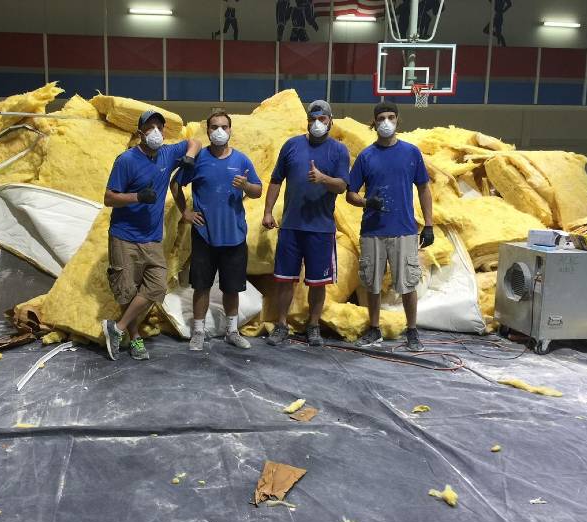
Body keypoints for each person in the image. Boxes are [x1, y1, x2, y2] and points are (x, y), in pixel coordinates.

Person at [102, 110, 201, 361]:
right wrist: (137, 197)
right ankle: (134, 339)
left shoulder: (168, 154)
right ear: (140, 132)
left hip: (152, 237)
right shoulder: (126, 160)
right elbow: (109, 197)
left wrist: (189, 158)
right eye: (149, 127)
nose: (155, 131)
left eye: (159, 126)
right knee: (127, 291)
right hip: (124, 237)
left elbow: (196, 142)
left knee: (156, 286)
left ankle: (118, 327)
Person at [346, 101, 434, 352]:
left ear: (398, 120)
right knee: (371, 283)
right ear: (373, 122)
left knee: (407, 283)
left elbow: (424, 188)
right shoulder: (366, 156)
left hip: (404, 229)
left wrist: (428, 224)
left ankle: (412, 330)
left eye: (391, 117)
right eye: (382, 117)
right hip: (373, 231)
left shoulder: (411, 153)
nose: (386, 122)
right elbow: (350, 194)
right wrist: (366, 201)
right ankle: (374, 329)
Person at [170, 111, 262, 351]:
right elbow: (175, 183)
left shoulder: (241, 160)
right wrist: (185, 213)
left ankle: (232, 331)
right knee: (201, 285)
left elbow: (258, 191)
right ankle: (198, 332)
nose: (219, 131)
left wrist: (246, 185)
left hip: (234, 235)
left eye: (224, 126)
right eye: (214, 126)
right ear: (208, 130)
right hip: (204, 235)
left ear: (231, 130)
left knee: (232, 286)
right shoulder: (198, 159)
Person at [262, 100, 349, 348]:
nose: (318, 124)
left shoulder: (339, 150)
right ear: (307, 122)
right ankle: (281, 325)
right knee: (284, 280)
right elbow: (276, 180)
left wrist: (323, 178)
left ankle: (313, 326)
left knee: (317, 283)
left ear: (330, 121)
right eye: (313, 120)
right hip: (291, 226)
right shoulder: (291, 146)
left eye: (323, 119)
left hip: (321, 229)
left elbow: (343, 186)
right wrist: (268, 211)